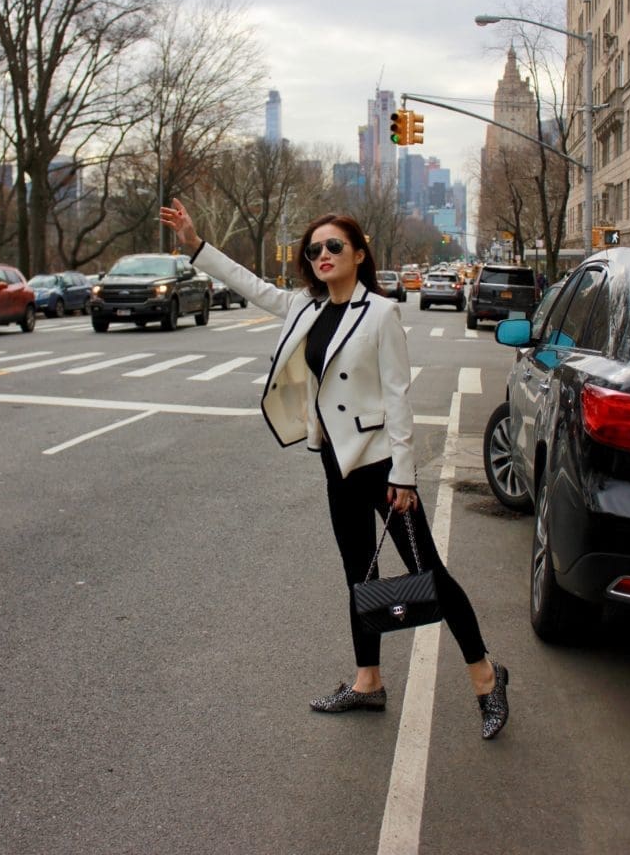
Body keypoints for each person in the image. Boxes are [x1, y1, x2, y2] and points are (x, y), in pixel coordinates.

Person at [160, 199, 509, 740]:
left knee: (430, 573)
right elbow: (253, 286)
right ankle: (368, 681)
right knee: (358, 575)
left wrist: (405, 475)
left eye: (334, 246)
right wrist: (196, 243)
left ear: (359, 254)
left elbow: (399, 397)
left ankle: (485, 676)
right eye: (314, 248)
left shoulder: (381, 313)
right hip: (336, 462)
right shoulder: (306, 307)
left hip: (381, 465)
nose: (322, 254)